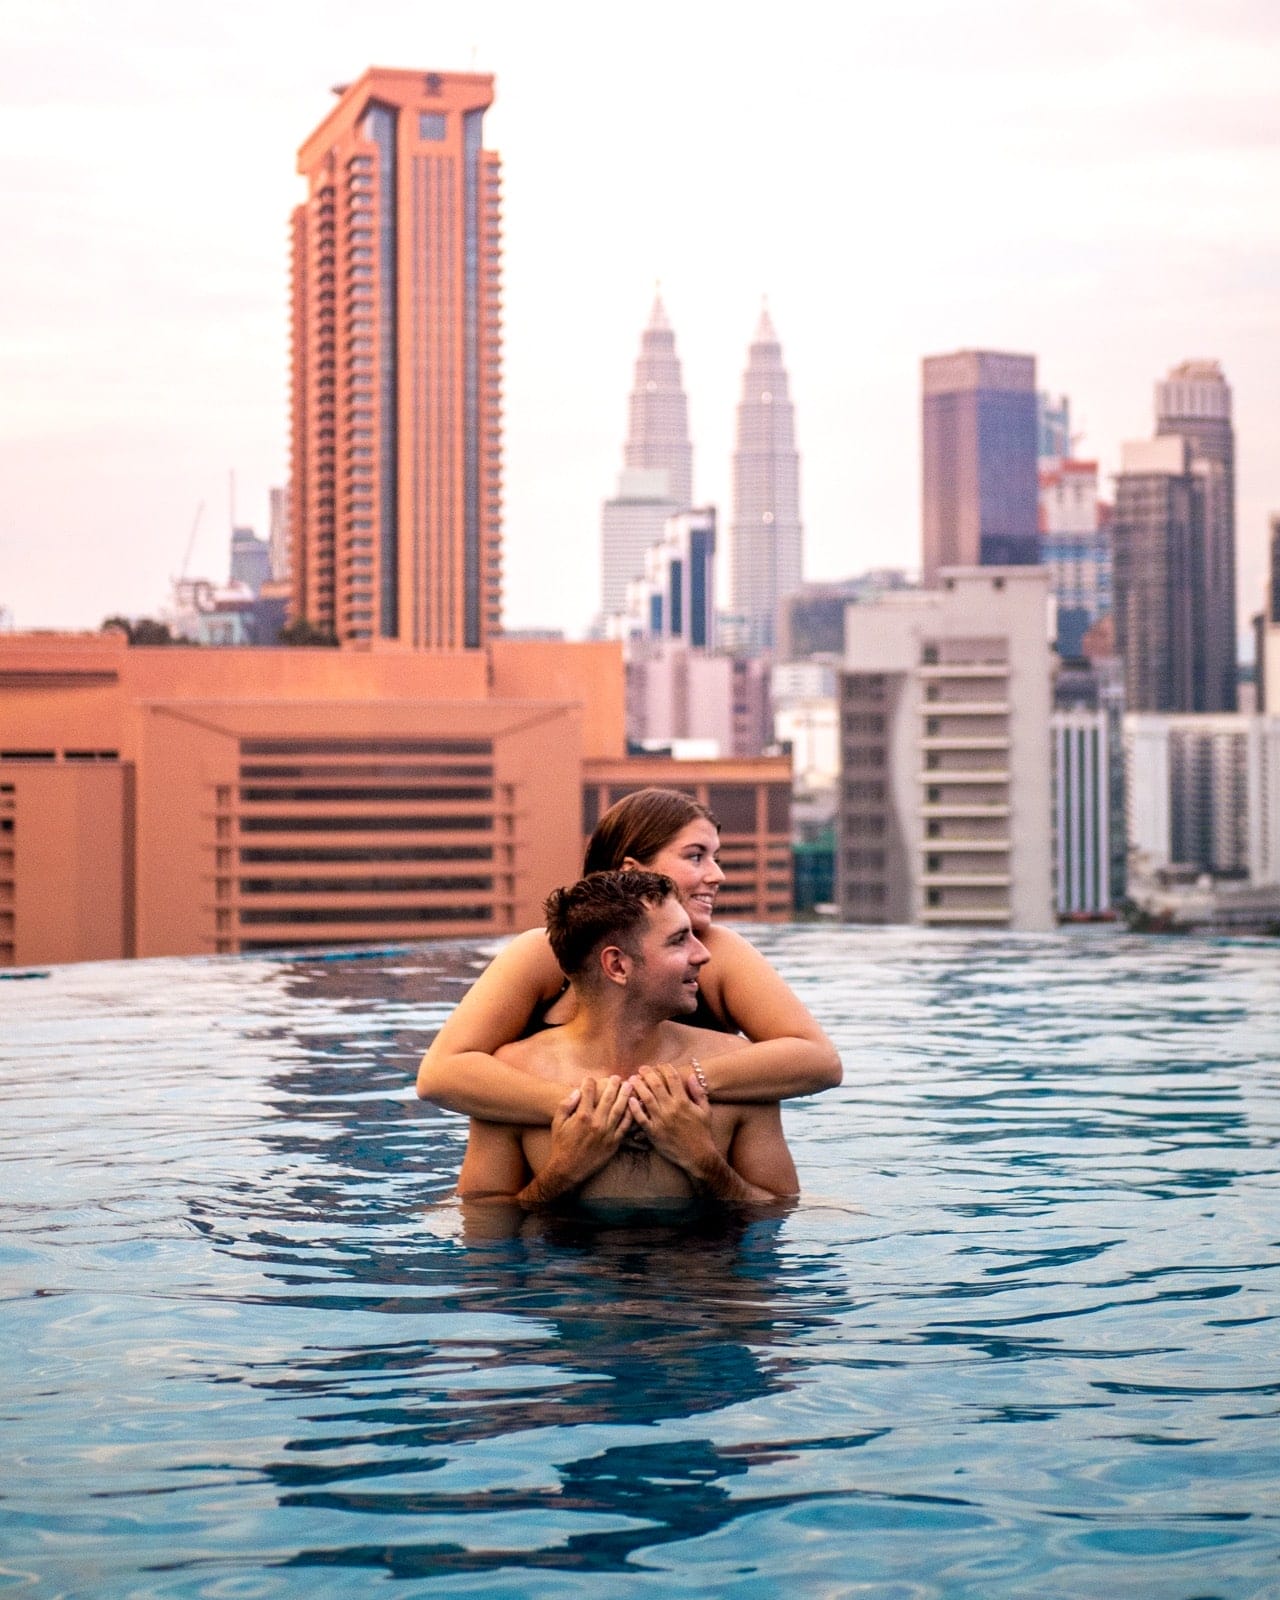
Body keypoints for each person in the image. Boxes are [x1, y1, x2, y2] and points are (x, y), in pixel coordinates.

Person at [417, 787, 841, 1122]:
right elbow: (441, 1073)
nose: (717, 874)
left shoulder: (717, 951)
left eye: (716, 857)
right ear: (632, 872)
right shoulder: (543, 953)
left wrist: (673, 1083)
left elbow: (817, 1060)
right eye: (696, 856)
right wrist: (590, 1107)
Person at [456, 871, 799, 1211]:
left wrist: (704, 1161)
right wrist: (563, 1172)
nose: (702, 954)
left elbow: (780, 1212)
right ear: (617, 965)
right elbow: (483, 1224)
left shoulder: (741, 1070)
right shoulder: (510, 1079)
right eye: (679, 940)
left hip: (702, 1266)